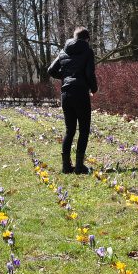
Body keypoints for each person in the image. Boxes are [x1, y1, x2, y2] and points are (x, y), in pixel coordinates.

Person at [47, 27, 99, 174]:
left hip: (66, 94)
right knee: (83, 130)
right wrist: (94, 89)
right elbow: (90, 72)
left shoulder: (63, 51)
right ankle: (79, 166)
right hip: (81, 93)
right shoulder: (87, 51)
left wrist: (65, 78)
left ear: (74, 37)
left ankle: (65, 166)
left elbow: (51, 70)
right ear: (87, 39)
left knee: (69, 130)